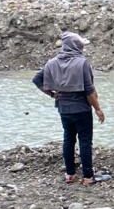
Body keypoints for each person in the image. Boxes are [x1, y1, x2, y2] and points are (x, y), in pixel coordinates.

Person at [32, 32, 106, 184]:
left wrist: (52, 95)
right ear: (77, 46)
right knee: (85, 141)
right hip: (81, 109)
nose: (83, 48)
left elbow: (36, 80)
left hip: (63, 109)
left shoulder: (52, 63)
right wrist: (98, 109)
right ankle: (87, 176)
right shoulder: (82, 63)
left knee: (68, 139)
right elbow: (89, 91)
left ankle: (70, 174)